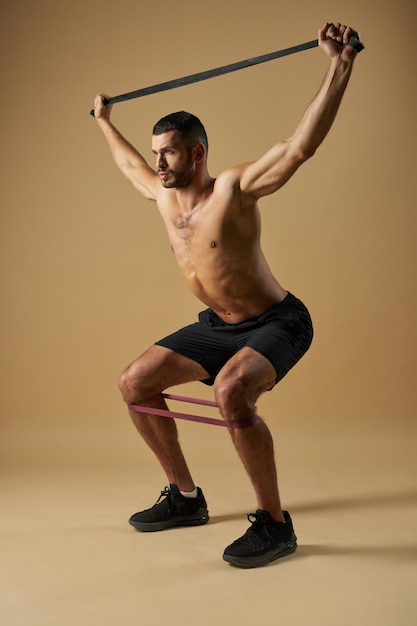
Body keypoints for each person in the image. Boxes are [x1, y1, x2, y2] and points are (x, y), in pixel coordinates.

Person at [93, 22, 362, 568]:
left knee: (232, 393)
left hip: (278, 321)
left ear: (196, 153)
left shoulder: (233, 190)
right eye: (156, 154)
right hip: (218, 324)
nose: (159, 163)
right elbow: (127, 164)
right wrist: (104, 122)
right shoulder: (162, 195)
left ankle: (275, 525)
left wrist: (340, 65)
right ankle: (186, 499)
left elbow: (299, 147)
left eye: (168, 153)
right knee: (134, 382)